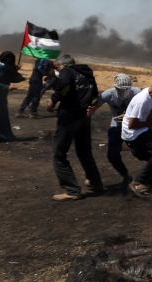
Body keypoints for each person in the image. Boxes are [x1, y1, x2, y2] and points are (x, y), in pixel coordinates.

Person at [46, 54, 103, 201]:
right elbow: (95, 93)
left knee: (58, 154)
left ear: (64, 65)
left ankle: (71, 190)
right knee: (84, 151)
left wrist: (53, 100)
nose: (57, 70)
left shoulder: (67, 71)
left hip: (69, 117)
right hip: (84, 118)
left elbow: (63, 85)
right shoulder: (88, 74)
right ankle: (96, 182)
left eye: (57, 67)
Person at [87, 73, 141, 188]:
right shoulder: (108, 94)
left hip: (133, 127)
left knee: (138, 152)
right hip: (116, 126)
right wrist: (91, 110)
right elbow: (95, 106)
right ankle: (126, 177)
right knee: (112, 155)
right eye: (120, 89)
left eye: (126, 89)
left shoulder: (137, 93)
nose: (123, 92)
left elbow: (147, 108)